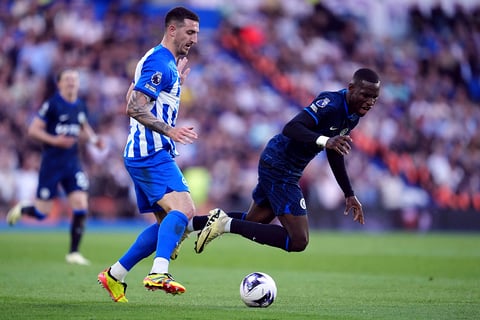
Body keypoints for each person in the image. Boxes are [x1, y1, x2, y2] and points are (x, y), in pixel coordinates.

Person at [193, 68, 380, 254]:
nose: (370, 102)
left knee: (253, 222)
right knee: (299, 240)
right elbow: (291, 128)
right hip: (280, 166)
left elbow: (334, 151)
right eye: (366, 95)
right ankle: (224, 224)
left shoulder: (353, 115)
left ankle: (189, 225)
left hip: (283, 166)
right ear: (351, 88)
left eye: (374, 98)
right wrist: (325, 140)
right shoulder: (330, 104)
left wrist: (348, 193)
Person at [97, 6, 199, 303]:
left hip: (144, 152)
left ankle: (114, 275)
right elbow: (133, 106)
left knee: (168, 224)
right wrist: (170, 131)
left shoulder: (160, 60)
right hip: (151, 151)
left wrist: (176, 82)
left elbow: (132, 94)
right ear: (172, 29)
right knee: (185, 210)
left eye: (196, 33)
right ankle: (158, 271)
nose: (194, 39)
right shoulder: (159, 61)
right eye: (189, 32)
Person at [6, 68, 104, 266]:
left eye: (74, 79)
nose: (71, 83)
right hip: (51, 164)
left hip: (72, 163)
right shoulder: (52, 105)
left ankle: (74, 252)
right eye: (67, 79)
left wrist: (94, 140)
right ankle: (25, 208)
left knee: (81, 204)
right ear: (59, 84)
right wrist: (55, 140)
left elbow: (83, 125)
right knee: (42, 213)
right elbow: (33, 130)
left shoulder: (80, 105)